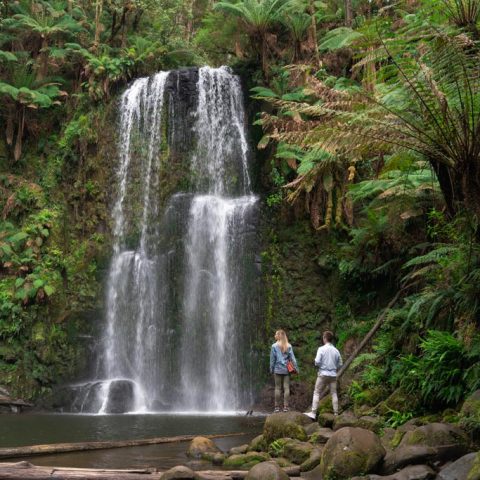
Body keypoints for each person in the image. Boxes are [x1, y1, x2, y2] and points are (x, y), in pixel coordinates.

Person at [304, 330, 343, 419]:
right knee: (334, 393)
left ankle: (313, 413)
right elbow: (340, 363)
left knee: (317, 392)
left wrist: (320, 364)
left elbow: (317, 362)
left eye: (323, 337)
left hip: (323, 374)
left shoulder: (321, 349)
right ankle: (336, 414)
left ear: (325, 338)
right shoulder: (336, 350)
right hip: (333, 375)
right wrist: (334, 366)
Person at [270, 329, 298, 413]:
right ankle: (286, 407)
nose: (274, 336)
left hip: (277, 369)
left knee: (277, 388)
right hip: (286, 370)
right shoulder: (288, 346)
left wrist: (271, 369)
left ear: (279, 336)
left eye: (276, 334)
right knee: (286, 388)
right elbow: (293, 359)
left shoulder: (274, 346)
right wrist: (296, 369)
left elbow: (272, 359)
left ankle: (276, 408)